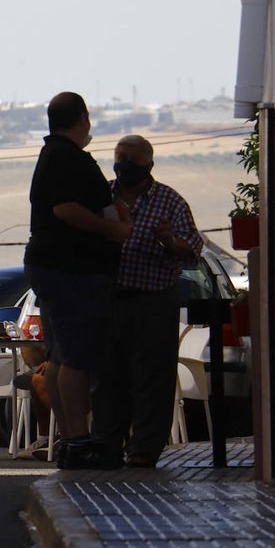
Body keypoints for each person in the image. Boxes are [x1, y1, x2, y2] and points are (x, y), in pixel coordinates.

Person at [23, 91, 130, 469]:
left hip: (54, 267)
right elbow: (66, 209)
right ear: (82, 118)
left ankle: (69, 438)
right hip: (72, 270)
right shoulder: (69, 159)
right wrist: (111, 229)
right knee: (75, 357)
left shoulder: (51, 156)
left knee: (58, 358)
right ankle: (80, 439)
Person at [94, 134, 202, 468]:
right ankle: (107, 444)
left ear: (148, 165)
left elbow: (193, 249)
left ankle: (143, 449)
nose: (124, 164)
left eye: (132, 160)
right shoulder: (102, 197)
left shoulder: (170, 202)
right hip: (108, 302)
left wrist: (169, 242)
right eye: (119, 157)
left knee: (152, 378)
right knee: (107, 378)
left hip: (152, 301)